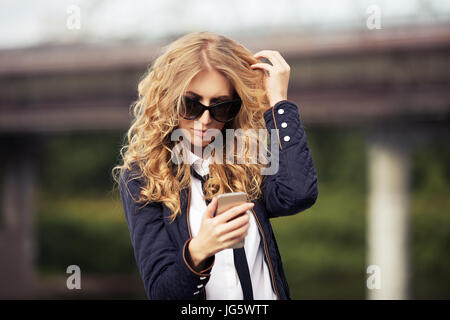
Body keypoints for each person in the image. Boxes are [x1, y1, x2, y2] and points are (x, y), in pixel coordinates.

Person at [112, 31, 318, 300]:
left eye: (221, 106)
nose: (205, 119)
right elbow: (162, 292)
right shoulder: (142, 176)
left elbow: (298, 194)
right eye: (191, 104)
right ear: (168, 99)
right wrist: (199, 250)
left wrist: (279, 104)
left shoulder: (246, 156)